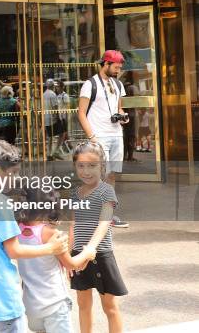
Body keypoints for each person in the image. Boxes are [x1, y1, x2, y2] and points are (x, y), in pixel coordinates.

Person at [0, 139, 69, 333]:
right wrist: (51, 248)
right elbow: (14, 250)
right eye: (13, 173)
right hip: (0, 290)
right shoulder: (0, 203)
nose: (15, 178)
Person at [16, 188, 96, 333]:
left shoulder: (17, 230)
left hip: (31, 305)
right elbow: (71, 264)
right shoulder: (51, 234)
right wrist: (88, 253)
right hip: (54, 304)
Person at [70, 141, 127, 333]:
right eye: (81, 165)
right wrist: (69, 258)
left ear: (102, 166)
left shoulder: (107, 191)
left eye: (92, 166)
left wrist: (90, 249)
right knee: (83, 305)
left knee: (109, 306)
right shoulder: (75, 194)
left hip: (100, 254)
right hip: (78, 255)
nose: (86, 171)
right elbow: (73, 224)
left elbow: (104, 223)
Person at [77, 50, 130, 228]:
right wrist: (92, 137)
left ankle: (108, 216)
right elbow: (81, 113)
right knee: (100, 175)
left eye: (120, 67)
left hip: (116, 134)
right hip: (99, 136)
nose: (118, 70)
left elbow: (119, 108)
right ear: (106, 64)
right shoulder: (89, 84)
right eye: (116, 67)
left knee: (112, 175)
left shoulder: (118, 84)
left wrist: (123, 116)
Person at [43, 79, 59, 160]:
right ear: (52, 85)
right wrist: (57, 117)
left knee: (50, 137)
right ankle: (50, 154)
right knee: (51, 137)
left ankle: (50, 153)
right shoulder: (52, 94)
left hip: (45, 118)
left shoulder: (44, 94)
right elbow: (55, 107)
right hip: (51, 118)